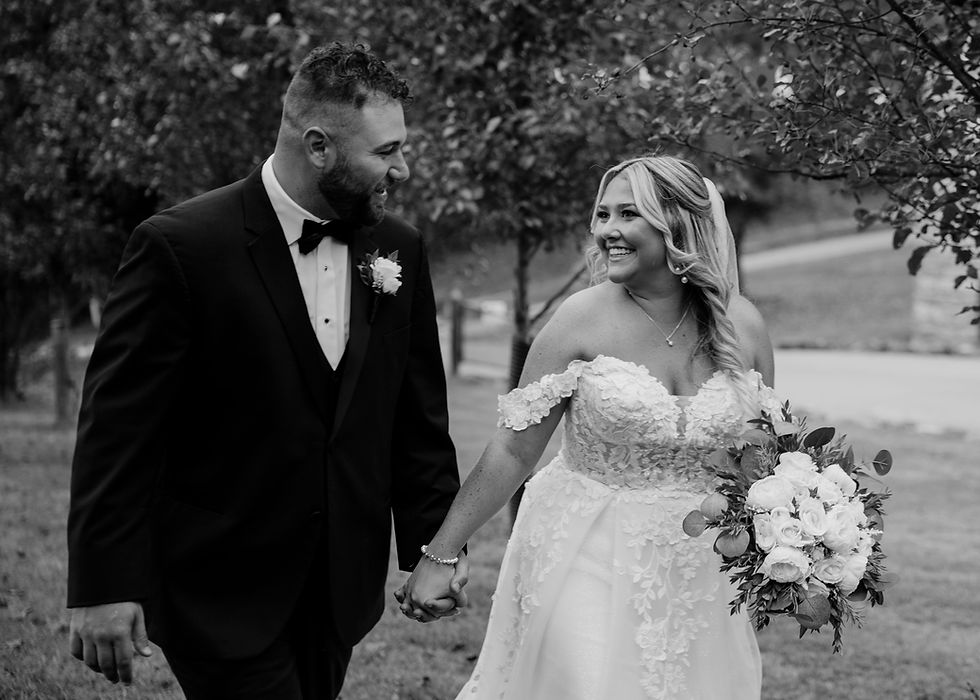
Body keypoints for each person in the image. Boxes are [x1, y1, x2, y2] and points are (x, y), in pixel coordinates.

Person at [67, 42, 466, 699]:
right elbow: (118, 431)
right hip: (217, 585)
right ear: (318, 147)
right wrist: (102, 583)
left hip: (338, 592)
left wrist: (436, 548)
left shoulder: (399, 248)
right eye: (386, 152)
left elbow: (416, 419)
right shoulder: (180, 247)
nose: (403, 168)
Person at [397, 154, 780, 699]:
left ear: (677, 222)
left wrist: (800, 542)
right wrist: (441, 553)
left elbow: (761, 460)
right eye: (602, 215)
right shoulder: (579, 318)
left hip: (701, 566)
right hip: (585, 546)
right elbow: (513, 450)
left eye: (628, 214)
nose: (606, 231)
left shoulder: (743, 324)